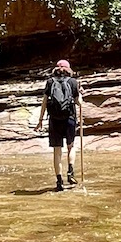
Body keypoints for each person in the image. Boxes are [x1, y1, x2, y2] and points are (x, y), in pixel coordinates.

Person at [33, 59, 83, 190]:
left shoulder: (50, 82)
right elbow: (79, 102)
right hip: (69, 118)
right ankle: (70, 171)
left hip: (54, 119)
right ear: (68, 69)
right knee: (71, 146)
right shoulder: (73, 82)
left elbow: (44, 102)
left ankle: (59, 181)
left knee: (57, 150)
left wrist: (40, 120)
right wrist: (80, 95)